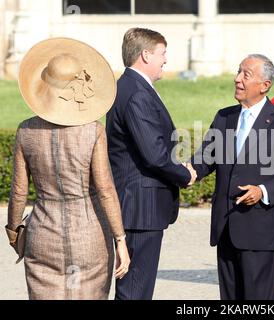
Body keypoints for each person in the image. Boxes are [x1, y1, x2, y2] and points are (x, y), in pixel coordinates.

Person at [5, 37, 130, 300]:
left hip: (43, 235)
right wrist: (120, 239)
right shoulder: (93, 131)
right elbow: (106, 189)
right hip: (89, 235)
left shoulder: (26, 130)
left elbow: (18, 191)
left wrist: (14, 232)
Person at [191, 54, 274, 300]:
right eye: (238, 72)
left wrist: (263, 191)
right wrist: (184, 171)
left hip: (263, 232)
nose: (237, 79)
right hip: (226, 228)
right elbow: (205, 159)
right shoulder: (224, 117)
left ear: (264, 85)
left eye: (246, 75)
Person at [106, 28, 197, 300]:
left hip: (137, 205)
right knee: (135, 289)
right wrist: (184, 174)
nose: (166, 60)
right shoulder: (136, 92)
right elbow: (154, 154)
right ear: (145, 55)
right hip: (139, 208)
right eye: (162, 53)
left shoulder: (130, 87)